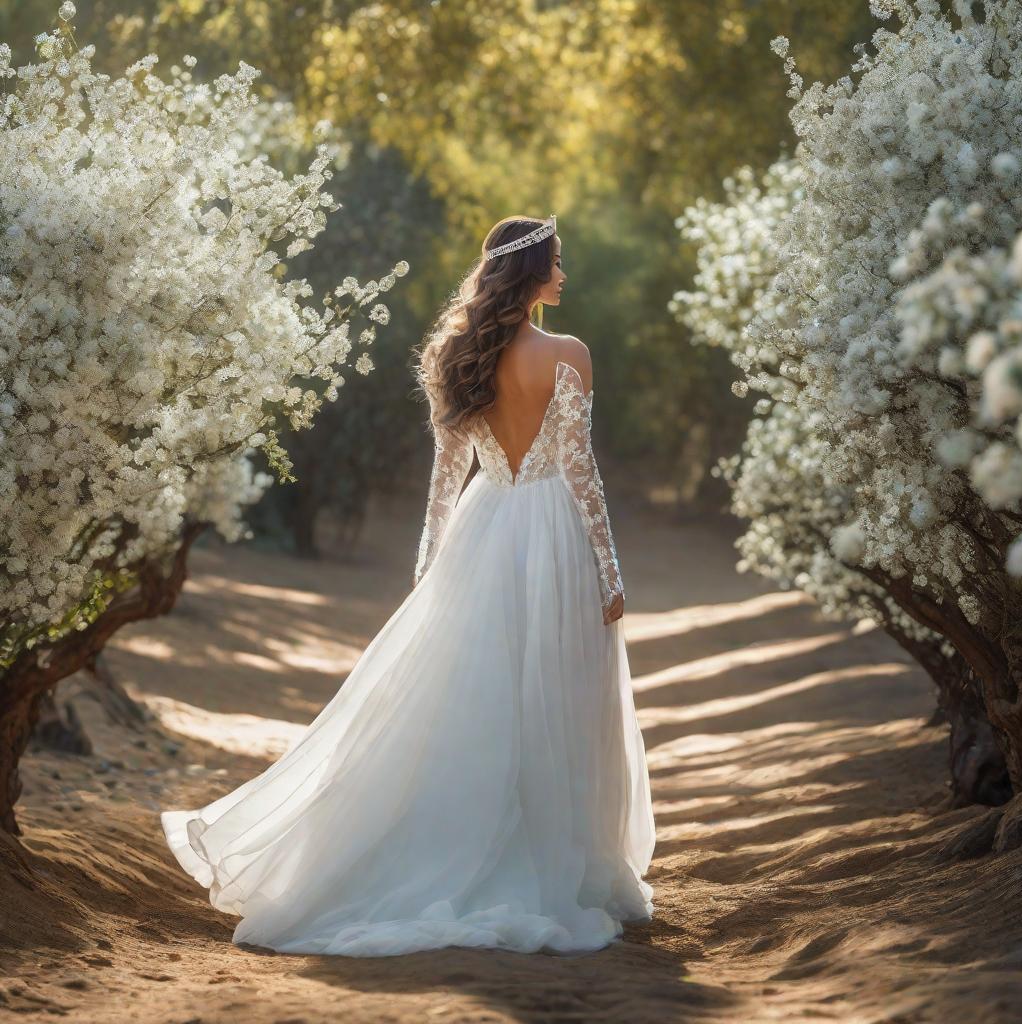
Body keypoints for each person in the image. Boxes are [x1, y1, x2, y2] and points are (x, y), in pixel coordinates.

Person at [160, 214, 656, 957]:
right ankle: (562, 864)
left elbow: (445, 478)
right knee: (559, 693)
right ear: (531, 274)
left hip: (483, 530)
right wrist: (609, 571)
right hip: (552, 531)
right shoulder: (569, 353)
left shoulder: (458, 356)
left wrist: (431, 564)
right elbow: (580, 471)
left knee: (474, 694)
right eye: (557, 261)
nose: (565, 272)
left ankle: (479, 842)